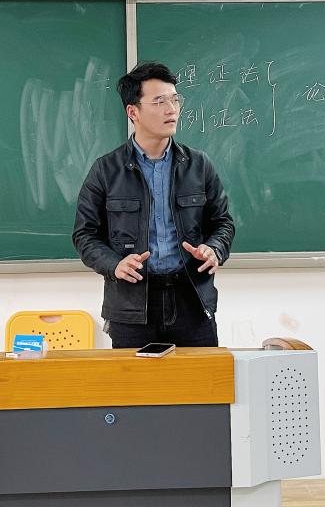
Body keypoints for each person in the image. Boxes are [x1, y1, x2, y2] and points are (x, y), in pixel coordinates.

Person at [72, 61, 235, 348]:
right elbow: (84, 235)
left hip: (192, 302)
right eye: (159, 101)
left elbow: (223, 223)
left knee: (203, 379)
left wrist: (214, 249)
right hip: (132, 307)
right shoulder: (106, 170)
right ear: (133, 112)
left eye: (175, 99)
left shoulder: (199, 165)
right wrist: (114, 264)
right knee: (134, 379)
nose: (172, 109)